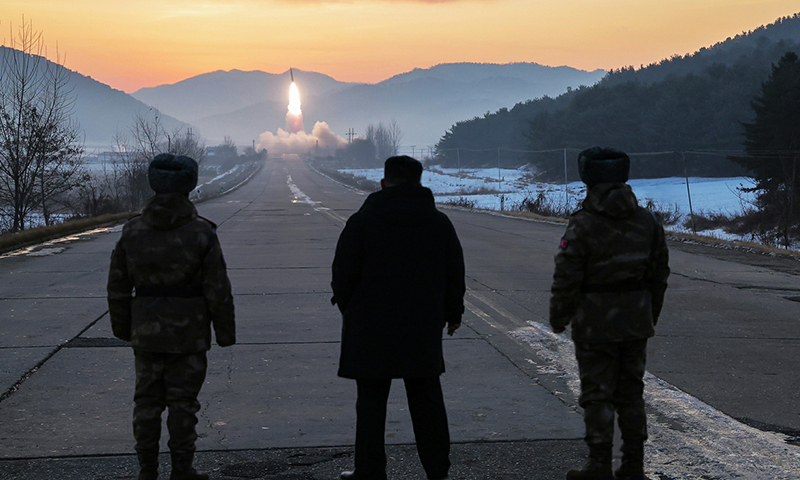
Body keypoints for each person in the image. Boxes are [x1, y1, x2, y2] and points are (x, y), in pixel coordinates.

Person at [331, 155, 466, 480]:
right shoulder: (439, 223)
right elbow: (455, 273)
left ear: (383, 182)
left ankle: (369, 471)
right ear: (420, 182)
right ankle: (437, 470)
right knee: (427, 401)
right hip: (421, 328)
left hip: (370, 328)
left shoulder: (362, 221)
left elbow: (342, 274)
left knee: (371, 404)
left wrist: (353, 311)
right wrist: (452, 313)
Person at [107, 153, 236, 480]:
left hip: (146, 333)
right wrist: (224, 332)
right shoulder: (201, 233)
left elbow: (117, 286)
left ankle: (147, 470)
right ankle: (182, 470)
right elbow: (217, 288)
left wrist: (125, 328)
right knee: (183, 405)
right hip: (188, 334)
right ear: (189, 186)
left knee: (146, 404)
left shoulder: (132, 231)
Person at [549, 147, 670, 480]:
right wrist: (649, 314)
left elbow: (567, 275)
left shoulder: (584, 222)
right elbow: (660, 273)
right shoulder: (648, 220)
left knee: (597, 393)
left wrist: (559, 316)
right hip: (635, 320)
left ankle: (599, 464)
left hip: (594, 323)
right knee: (631, 392)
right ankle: (634, 465)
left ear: (588, 177)